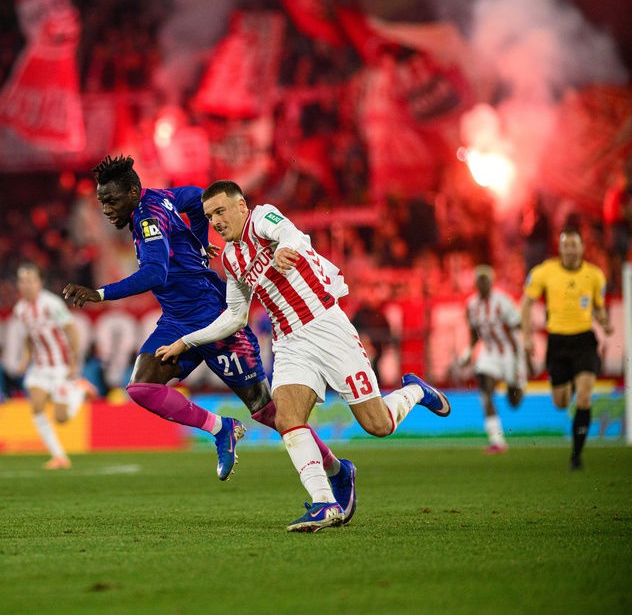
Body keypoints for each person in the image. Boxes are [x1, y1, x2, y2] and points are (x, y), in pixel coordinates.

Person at [155, 181, 451, 532]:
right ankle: (325, 502)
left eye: (220, 211)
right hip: (289, 343)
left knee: (378, 425)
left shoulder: (262, 218)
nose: (216, 221)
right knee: (287, 418)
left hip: (325, 326)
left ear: (241, 206)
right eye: (209, 216)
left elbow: (292, 234)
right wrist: (186, 341)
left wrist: (284, 248)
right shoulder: (232, 259)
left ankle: (415, 390)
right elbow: (235, 316)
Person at [62, 156, 281, 483]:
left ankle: (334, 468)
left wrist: (100, 294)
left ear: (132, 193)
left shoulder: (148, 217)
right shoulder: (159, 197)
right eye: (102, 202)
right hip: (178, 321)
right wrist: (199, 242)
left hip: (213, 318)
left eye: (112, 201)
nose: (106, 210)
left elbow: (154, 273)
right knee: (141, 387)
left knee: (267, 413)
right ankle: (222, 428)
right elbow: (196, 197)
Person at [521, 228, 612, 471]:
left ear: (582, 248)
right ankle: (571, 382)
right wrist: (527, 336)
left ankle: (576, 456)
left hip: (584, 341)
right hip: (558, 342)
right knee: (561, 403)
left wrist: (604, 322)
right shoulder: (545, 271)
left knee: (584, 397)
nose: (570, 249)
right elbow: (527, 303)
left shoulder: (595, 275)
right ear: (560, 248)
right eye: (566, 245)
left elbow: (598, 307)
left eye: (574, 245)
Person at [13, 263, 85, 470]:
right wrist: (24, 360)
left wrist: (73, 362)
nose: (26, 285)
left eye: (30, 281)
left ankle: (79, 391)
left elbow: (71, 331)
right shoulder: (20, 310)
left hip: (60, 365)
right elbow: (28, 339)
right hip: (40, 367)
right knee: (36, 406)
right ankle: (59, 456)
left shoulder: (52, 303)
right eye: (22, 281)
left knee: (61, 418)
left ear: (39, 282)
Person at [458, 265, 525, 454]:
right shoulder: (471, 305)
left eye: (485, 280)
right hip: (489, 352)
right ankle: (497, 440)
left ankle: (514, 386)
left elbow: (518, 325)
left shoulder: (503, 301)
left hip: (510, 352)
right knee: (485, 390)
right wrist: (469, 351)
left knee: (514, 400)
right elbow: (474, 332)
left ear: (491, 282)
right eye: (479, 280)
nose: (482, 284)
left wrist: (526, 352)